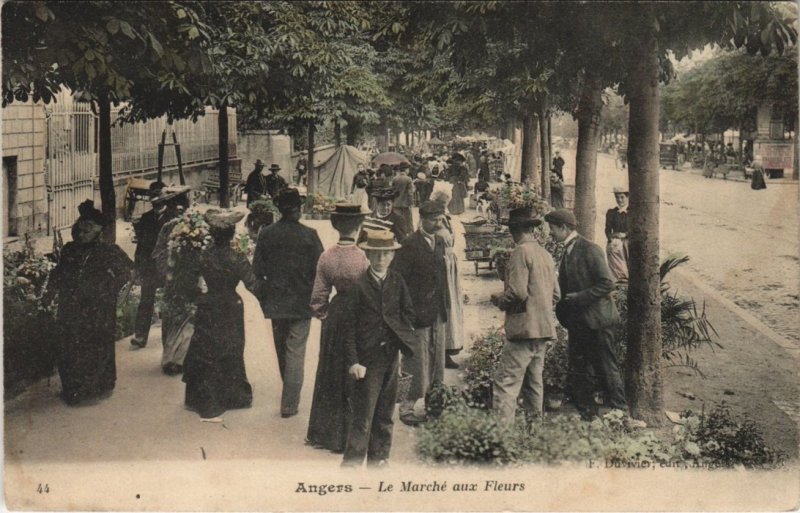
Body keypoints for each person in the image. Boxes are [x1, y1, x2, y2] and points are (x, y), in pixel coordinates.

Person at [545, 209, 643, 426]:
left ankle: (621, 413)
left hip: (599, 321)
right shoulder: (569, 249)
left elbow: (607, 283)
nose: (550, 233)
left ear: (563, 228)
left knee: (607, 367)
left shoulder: (590, 249)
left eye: (552, 229)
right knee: (580, 367)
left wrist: (579, 297)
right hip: (579, 322)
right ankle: (589, 413)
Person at [43, 203, 133, 405]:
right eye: (80, 230)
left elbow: (127, 273)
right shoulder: (69, 250)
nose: (82, 235)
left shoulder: (108, 251)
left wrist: (108, 291)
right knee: (70, 345)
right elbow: (58, 273)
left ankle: (96, 386)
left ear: (97, 232)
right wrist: (49, 294)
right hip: (70, 305)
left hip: (97, 308)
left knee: (95, 345)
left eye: (87, 231)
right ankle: (73, 388)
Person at [341, 230, 417, 467]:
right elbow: (349, 329)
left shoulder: (397, 281)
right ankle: (351, 466)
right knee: (363, 417)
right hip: (367, 361)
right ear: (368, 255)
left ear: (392, 256)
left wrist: (400, 338)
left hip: (390, 358)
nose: (381, 259)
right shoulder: (359, 287)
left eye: (385, 254)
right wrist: (354, 361)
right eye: (376, 254)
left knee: (385, 415)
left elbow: (408, 313)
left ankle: (380, 462)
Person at [183, 210, 262, 422]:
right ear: (231, 234)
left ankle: (203, 395)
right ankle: (233, 394)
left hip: (208, 304)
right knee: (231, 346)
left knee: (206, 348)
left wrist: (199, 296)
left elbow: (189, 282)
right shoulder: (236, 258)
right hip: (230, 305)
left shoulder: (203, 255)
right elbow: (253, 284)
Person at [253, 188, 324, 418]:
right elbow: (320, 270)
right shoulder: (310, 235)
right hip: (302, 303)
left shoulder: (266, 234)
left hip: (275, 303)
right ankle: (289, 403)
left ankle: (288, 390)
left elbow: (258, 270)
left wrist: (265, 296)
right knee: (295, 352)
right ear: (298, 209)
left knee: (281, 349)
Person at [306, 204, 369, 453]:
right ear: (358, 226)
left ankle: (328, 432)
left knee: (331, 371)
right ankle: (353, 433)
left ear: (336, 226)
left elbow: (318, 297)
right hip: (359, 314)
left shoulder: (327, 256)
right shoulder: (363, 256)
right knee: (355, 370)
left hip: (336, 313)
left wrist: (325, 316)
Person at [490, 207, 559, 425]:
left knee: (505, 383)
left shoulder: (521, 252)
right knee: (534, 383)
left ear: (515, 231)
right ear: (532, 229)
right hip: (543, 329)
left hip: (523, 331)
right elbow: (556, 293)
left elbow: (517, 292)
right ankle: (534, 432)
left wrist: (499, 299)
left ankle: (502, 439)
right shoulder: (545, 254)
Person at [391, 201, 449, 425]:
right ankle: (406, 408)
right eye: (434, 219)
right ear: (422, 220)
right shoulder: (409, 245)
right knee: (415, 361)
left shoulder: (440, 242)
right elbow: (398, 281)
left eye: (440, 218)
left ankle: (434, 405)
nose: (438, 223)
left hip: (436, 312)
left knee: (436, 362)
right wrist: (406, 313)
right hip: (416, 314)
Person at [151, 186, 197, 375]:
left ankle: (179, 357)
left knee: (183, 316)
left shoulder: (192, 224)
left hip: (184, 277)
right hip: (178, 277)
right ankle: (174, 358)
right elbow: (159, 252)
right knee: (178, 315)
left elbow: (159, 253)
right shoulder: (171, 227)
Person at [130, 183, 175, 349]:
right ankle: (140, 336)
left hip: (167, 266)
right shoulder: (146, 218)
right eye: (153, 197)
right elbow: (141, 245)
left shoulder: (173, 218)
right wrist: (136, 266)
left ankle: (169, 338)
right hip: (149, 266)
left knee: (168, 302)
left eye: (159, 196)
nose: (156, 201)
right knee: (146, 300)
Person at [430, 190, 464, 370]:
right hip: (441, 266)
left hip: (450, 266)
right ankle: (440, 353)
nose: (444, 208)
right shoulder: (432, 222)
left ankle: (448, 350)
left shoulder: (445, 219)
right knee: (445, 306)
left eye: (445, 204)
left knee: (452, 306)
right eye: (441, 204)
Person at [605, 187, 630, 281]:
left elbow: (635, 229)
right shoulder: (611, 212)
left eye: (622, 197)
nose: (619, 200)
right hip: (615, 243)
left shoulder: (632, 212)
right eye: (617, 197)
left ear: (627, 197)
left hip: (628, 242)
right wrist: (611, 239)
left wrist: (625, 235)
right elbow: (607, 230)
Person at [391, 164, 415, 232]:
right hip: (406, 203)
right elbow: (410, 193)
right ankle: (409, 232)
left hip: (396, 203)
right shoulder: (408, 179)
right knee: (408, 220)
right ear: (406, 170)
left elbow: (392, 190)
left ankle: (399, 232)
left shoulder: (395, 178)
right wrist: (411, 203)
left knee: (398, 219)